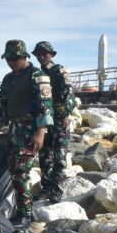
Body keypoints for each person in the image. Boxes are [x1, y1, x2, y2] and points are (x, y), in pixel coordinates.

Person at [0, 40, 53, 228]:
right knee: (13, 169)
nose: (12, 62)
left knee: (20, 171)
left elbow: (46, 105)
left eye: (16, 59)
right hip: (15, 129)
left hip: (31, 129)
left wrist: (40, 132)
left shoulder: (37, 75)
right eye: (9, 59)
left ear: (25, 57)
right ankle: (24, 210)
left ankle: (24, 215)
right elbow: (3, 107)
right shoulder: (8, 79)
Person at [31, 41, 76, 204]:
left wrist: (65, 114)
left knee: (59, 154)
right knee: (44, 154)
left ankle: (57, 190)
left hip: (58, 117)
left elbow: (69, 94)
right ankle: (46, 187)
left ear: (51, 55)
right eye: (39, 54)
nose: (42, 56)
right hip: (43, 118)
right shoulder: (36, 73)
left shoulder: (59, 71)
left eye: (45, 53)